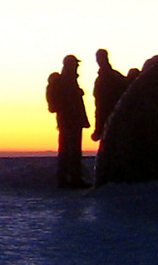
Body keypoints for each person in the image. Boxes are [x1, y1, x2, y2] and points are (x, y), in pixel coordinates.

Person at [46, 54, 90, 188]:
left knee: (70, 150)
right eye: (75, 64)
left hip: (71, 121)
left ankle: (69, 179)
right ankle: (71, 179)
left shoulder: (69, 80)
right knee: (70, 151)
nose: (77, 67)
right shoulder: (64, 81)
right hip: (69, 121)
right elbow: (58, 105)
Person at [91, 48, 128, 142]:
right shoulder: (112, 76)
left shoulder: (112, 77)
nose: (98, 61)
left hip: (111, 114)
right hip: (107, 114)